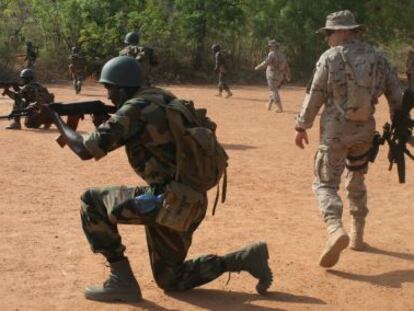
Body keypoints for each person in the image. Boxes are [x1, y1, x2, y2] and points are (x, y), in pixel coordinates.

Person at [43, 56, 272, 303]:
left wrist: (55, 117)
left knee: (92, 202)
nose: (109, 96)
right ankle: (243, 259)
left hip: (166, 201)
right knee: (170, 279)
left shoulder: (134, 109)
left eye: (109, 89)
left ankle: (121, 282)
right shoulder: (163, 97)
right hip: (189, 202)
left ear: (121, 87)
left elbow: (85, 150)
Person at [294, 10, 402, 268]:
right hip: (365, 132)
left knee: (324, 183)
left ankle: (334, 228)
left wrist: (301, 125)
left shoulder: (329, 58)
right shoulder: (379, 58)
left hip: (335, 133)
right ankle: (357, 235)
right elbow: (396, 95)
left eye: (329, 32)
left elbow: (316, 94)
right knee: (356, 176)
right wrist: (399, 128)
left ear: (343, 31)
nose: (327, 38)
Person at [255, 40, 290, 112]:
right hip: (280, 75)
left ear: (273, 47)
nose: (269, 48)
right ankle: (269, 104)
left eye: (270, 46)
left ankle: (279, 108)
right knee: (274, 90)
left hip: (272, 74)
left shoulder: (272, 54)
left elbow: (266, 62)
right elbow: (286, 65)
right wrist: (287, 74)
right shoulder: (282, 54)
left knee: (273, 90)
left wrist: (258, 67)